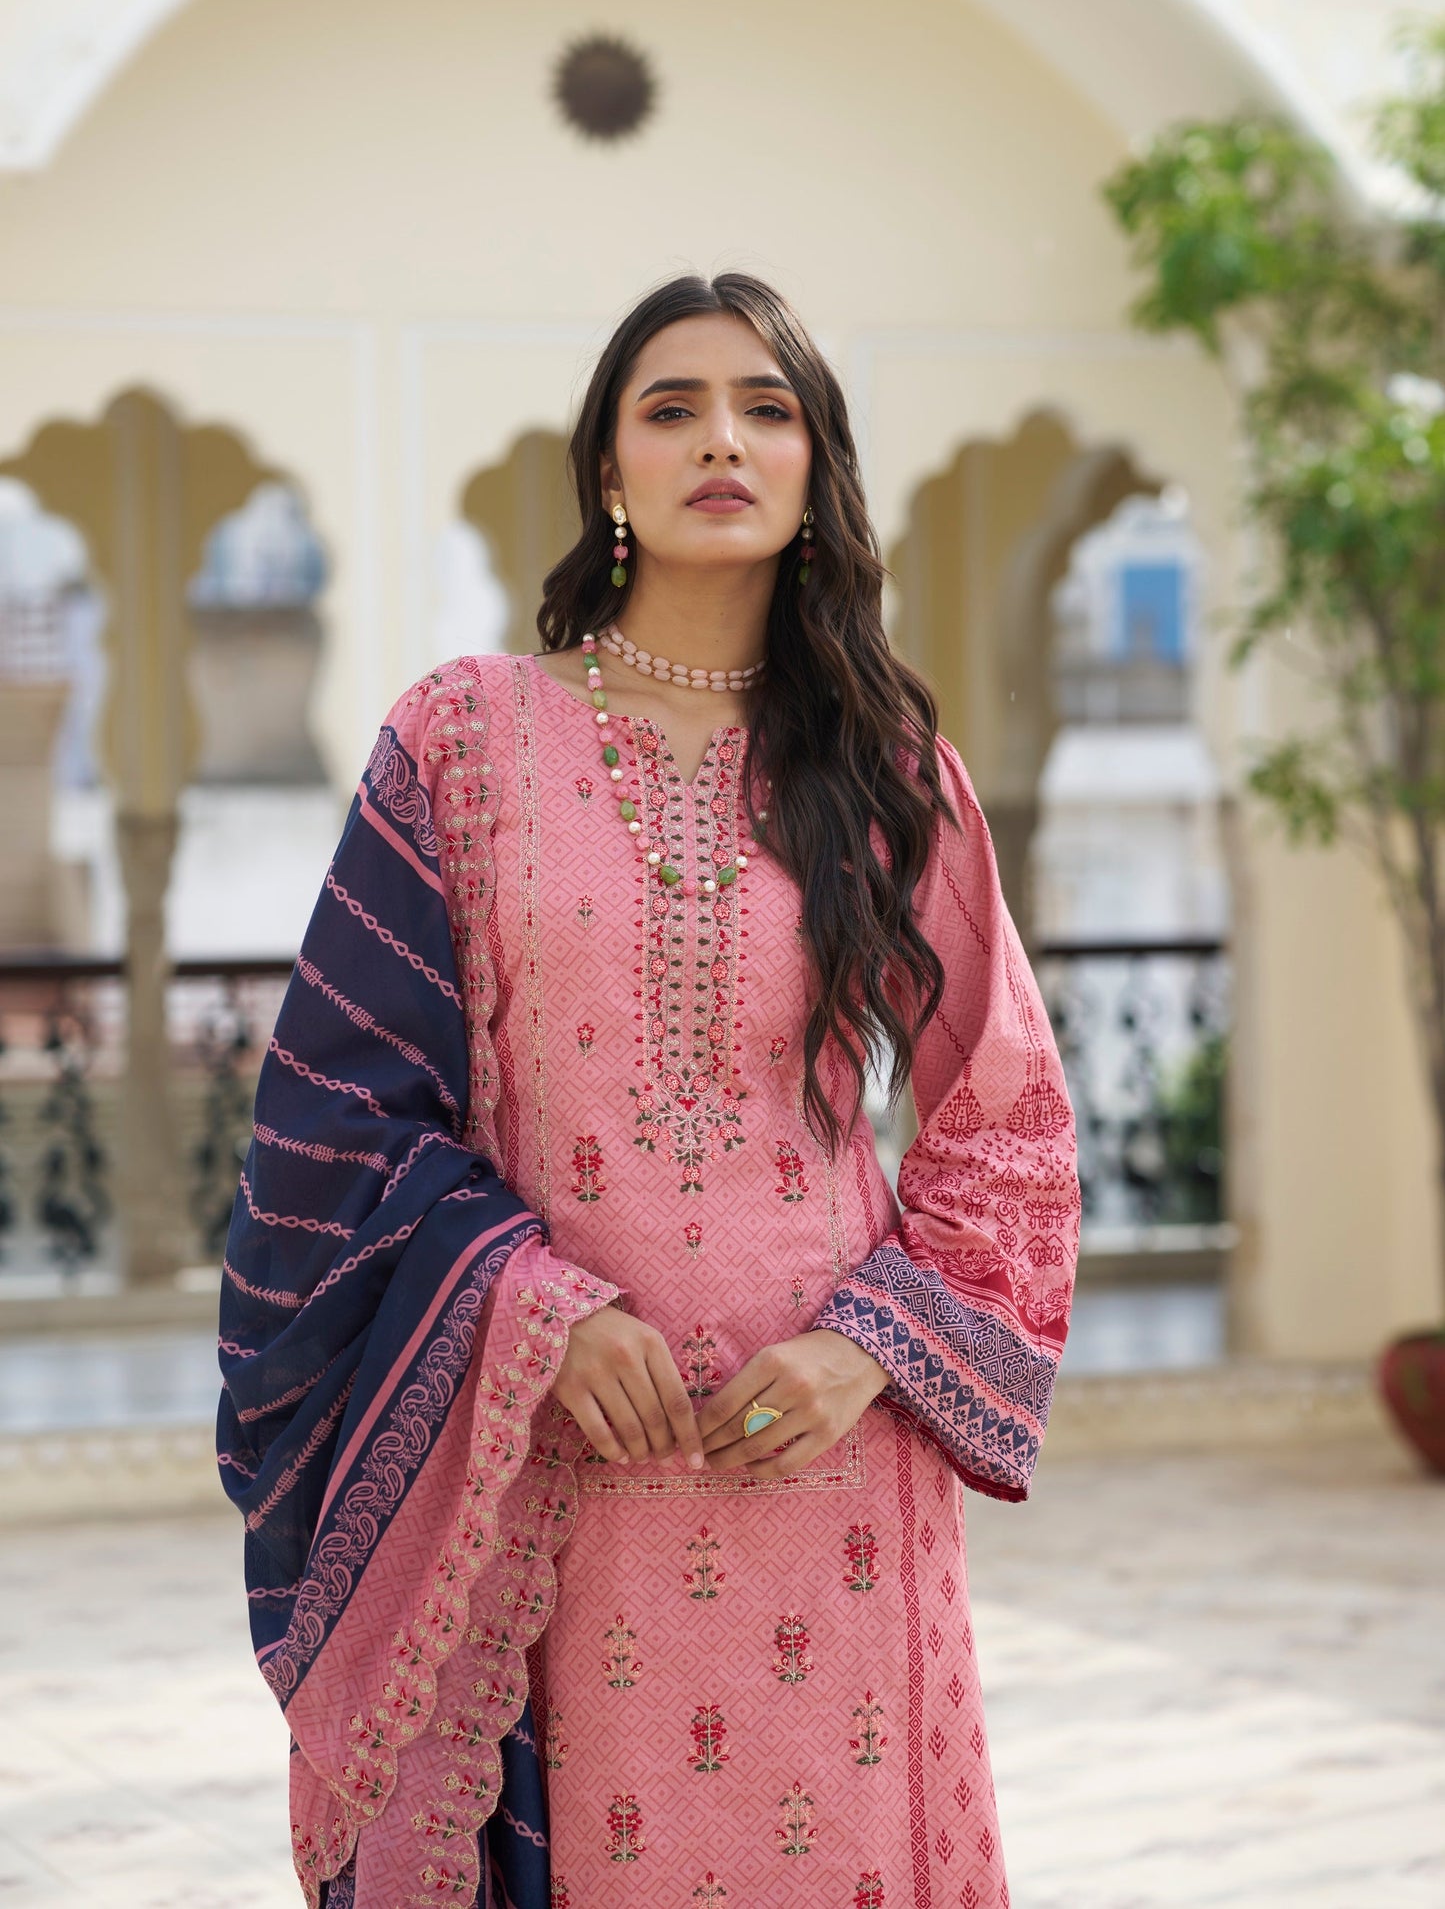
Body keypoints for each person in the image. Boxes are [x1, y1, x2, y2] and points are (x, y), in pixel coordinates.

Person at [219, 272, 1080, 1909]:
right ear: (604, 470)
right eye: (669, 407)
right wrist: (523, 1307)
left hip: (823, 1463)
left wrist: (867, 1351)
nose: (720, 443)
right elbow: (332, 1117)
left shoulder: (890, 768)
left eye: (766, 409)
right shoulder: (464, 738)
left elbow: (1007, 1128)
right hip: (550, 1455)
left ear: (816, 471)